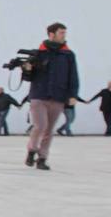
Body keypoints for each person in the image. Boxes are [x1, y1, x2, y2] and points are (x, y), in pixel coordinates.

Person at [23, 22, 79, 171]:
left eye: (64, 33)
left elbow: (73, 77)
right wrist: (27, 70)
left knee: (49, 130)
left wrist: (73, 95)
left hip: (58, 97)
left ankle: (42, 158)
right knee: (40, 126)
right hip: (39, 95)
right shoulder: (38, 54)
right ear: (51, 34)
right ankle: (32, 150)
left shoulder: (68, 55)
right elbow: (28, 77)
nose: (64, 36)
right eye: (61, 33)